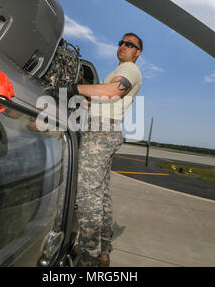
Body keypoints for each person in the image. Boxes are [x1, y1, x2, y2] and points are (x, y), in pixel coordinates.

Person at [52, 33, 143, 266]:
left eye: (130, 44)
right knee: (101, 195)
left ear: (137, 53)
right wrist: (74, 97)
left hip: (101, 134)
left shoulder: (130, 70)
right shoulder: (117, 72)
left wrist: (75, 86)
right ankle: (103, 249)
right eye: (121, 42)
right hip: (105, 130)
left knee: (87, 196)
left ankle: (87, 257)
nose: (123, 46)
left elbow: (113, 92)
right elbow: (105, 100)